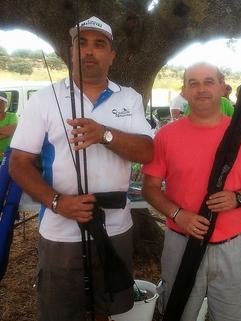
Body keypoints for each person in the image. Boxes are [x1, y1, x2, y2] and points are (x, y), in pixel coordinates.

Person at [9, 16, 153, 321]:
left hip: (116, 226)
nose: (90, 51)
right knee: (61, 312)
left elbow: (147, 151)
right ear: (70, 51)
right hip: (61, 232)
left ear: (112, 55)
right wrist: (59, 203)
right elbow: (19, 163)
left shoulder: (130, 98)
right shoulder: (44, 100)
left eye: (99, 44)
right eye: (81, 43)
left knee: (106, 309)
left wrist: (105, 134)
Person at [142, 62, 241, 321]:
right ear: (184, 91)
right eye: (193, 83)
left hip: (231, 246)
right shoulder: (166, 135)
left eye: (209, 81)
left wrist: (238, 198)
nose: (201, 89)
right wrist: (178, 214)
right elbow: (150, 189)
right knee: (178, 311)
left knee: (232, 315)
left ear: (222, 86)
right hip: (180, 241)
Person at [0, 91, 18, 162]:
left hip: (8, 156)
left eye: (2, 102)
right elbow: (10, 131)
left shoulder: (12, 116)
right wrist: (5, 130)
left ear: (6, 104)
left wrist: (9, 130)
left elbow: (13, 130)